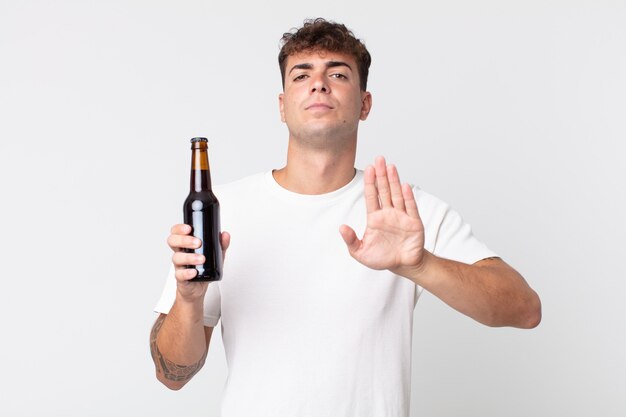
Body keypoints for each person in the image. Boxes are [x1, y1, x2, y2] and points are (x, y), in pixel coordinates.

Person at [150, 18, 541, 417]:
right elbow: (172, 374)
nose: (319, 83)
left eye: (337, 73)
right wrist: (189, 298)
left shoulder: (402, 211)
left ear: (365, 104)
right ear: (282, 106)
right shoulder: (223, 210)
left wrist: (421, 264)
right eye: (302, 75)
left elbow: (525, 309)